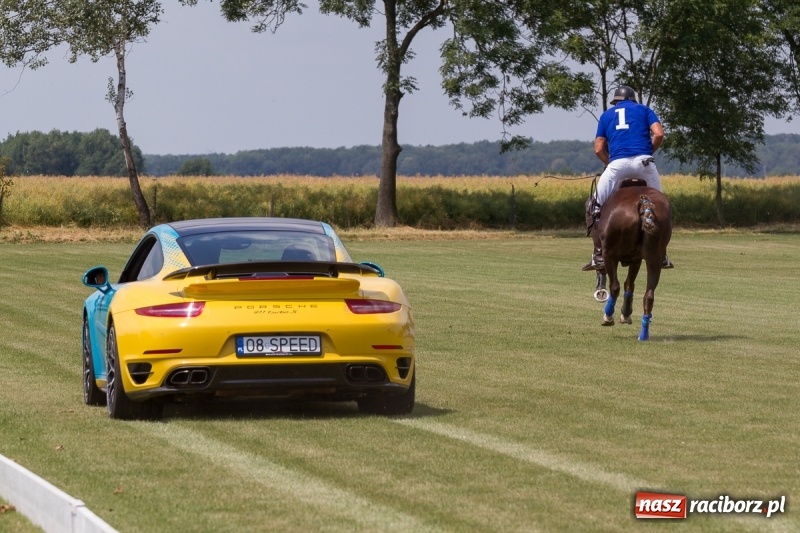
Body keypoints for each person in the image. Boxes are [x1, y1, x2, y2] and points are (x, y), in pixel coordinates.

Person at [582, 85, 673, 271]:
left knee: (595, 206)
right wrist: (648, 151)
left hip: (617, 166)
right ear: (633, 100)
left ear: (616, 101)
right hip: (645, 164)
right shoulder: (645, 110)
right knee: (662, 209)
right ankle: (661, 254)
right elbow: (659, 133)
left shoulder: (607, 115)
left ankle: (598, 254)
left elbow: (599, 148)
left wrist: (610, 163)